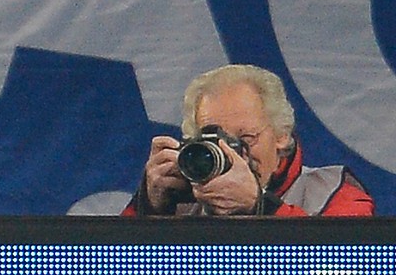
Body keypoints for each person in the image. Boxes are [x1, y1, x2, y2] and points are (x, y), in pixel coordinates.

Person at [122, 64, 375, 217]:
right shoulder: (181, 202)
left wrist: (259, 207)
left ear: (281, 134)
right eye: (214, 139)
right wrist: (149, 209)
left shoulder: (333, 192)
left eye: (246, 138)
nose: (232, 154)